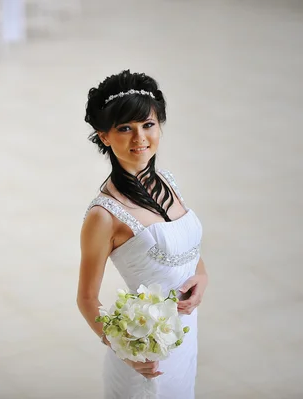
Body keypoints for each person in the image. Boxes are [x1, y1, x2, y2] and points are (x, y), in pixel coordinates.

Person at [76, 70, 208, 398]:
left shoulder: (167, 182)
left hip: (185, 338)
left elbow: (187, 248)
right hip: (145, 362)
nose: (140, 139)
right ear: (104, 136)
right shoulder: (103, 216)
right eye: (125, 129)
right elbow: (87, 299)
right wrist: (126, 350)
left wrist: (201, 277)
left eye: (148, 125)